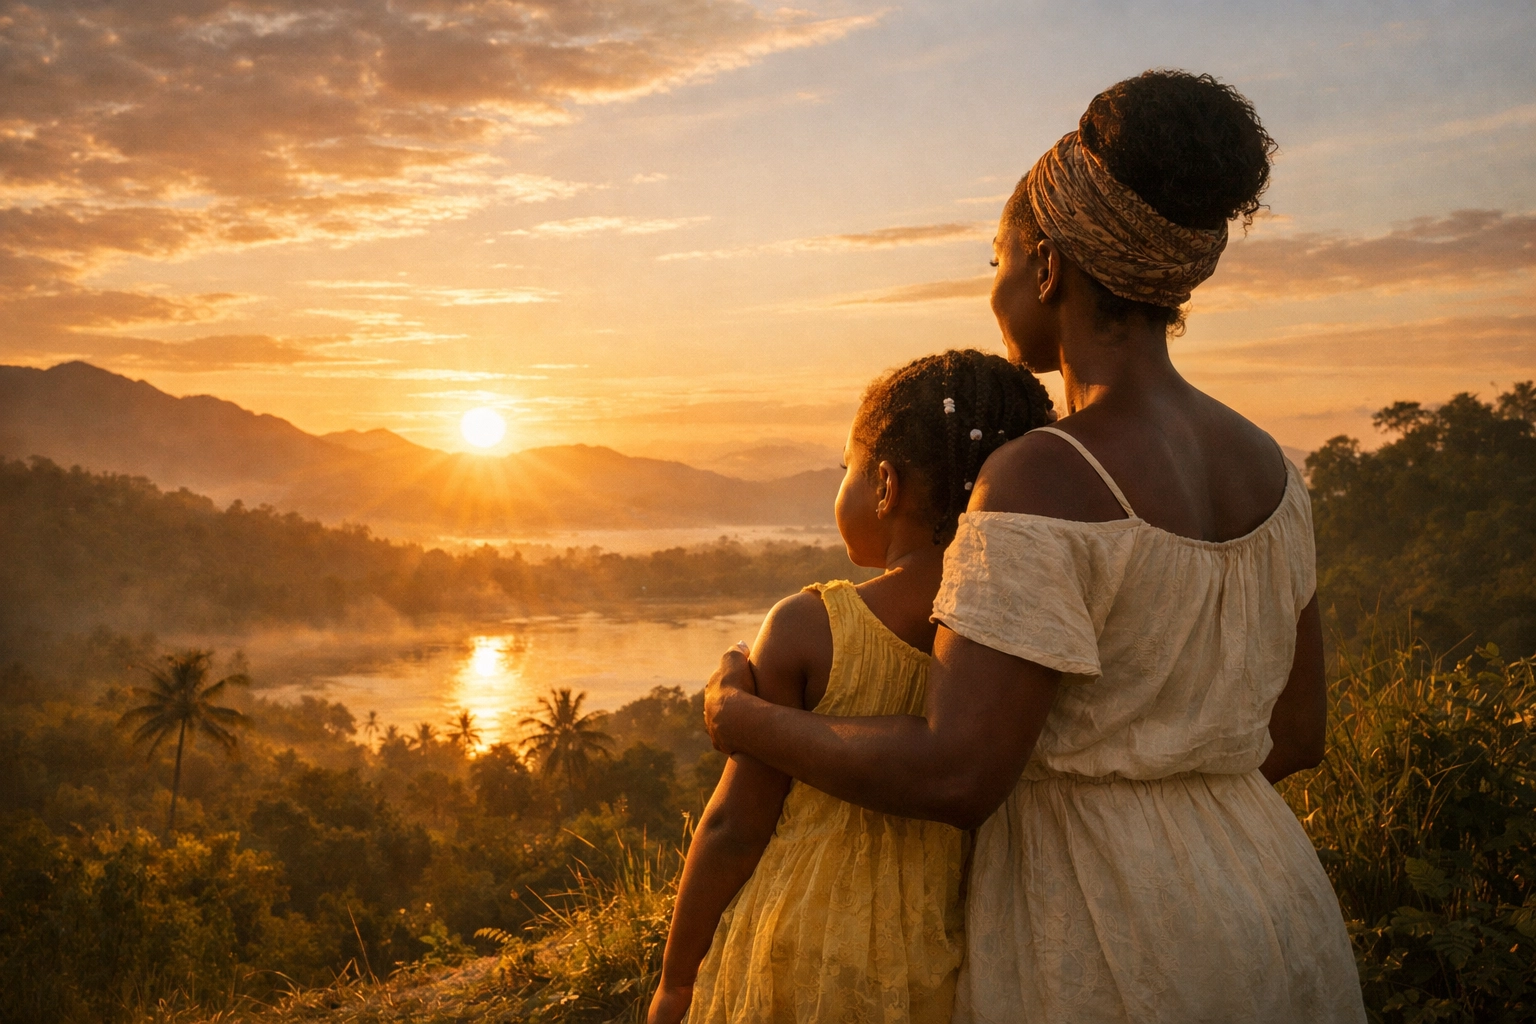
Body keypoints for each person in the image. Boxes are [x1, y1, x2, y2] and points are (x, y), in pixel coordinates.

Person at [701, 70, 1367, 1022]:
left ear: (1048, 268)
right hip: (1268, 897)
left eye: (998, 263)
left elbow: (959, 771)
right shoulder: (1271, 469)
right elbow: (1297, 736)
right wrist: (1172, 798)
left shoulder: (1044, 473)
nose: (998, 289)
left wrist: (745, 720)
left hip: (1106, 934)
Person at [647, 351, 1056, 1024]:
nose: (842, 485)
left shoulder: (810, 625)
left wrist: (676, 982)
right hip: (946, 956)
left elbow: (732, 826)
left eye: (848, 468)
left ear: (886, 484)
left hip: (799, 945)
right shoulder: (1022, 630)